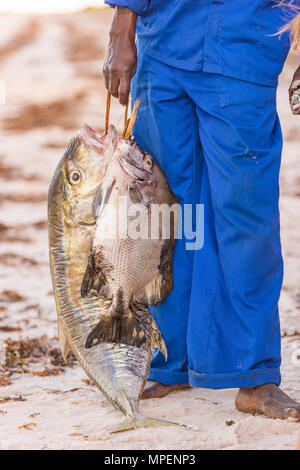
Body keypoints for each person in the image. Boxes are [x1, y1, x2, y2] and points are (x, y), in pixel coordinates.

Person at [102, 0, 300, 420]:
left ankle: (255, 375)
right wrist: (122, 24)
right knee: (169, 213)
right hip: (164, 39)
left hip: (245, 43)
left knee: (245, 215)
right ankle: (171, 359)